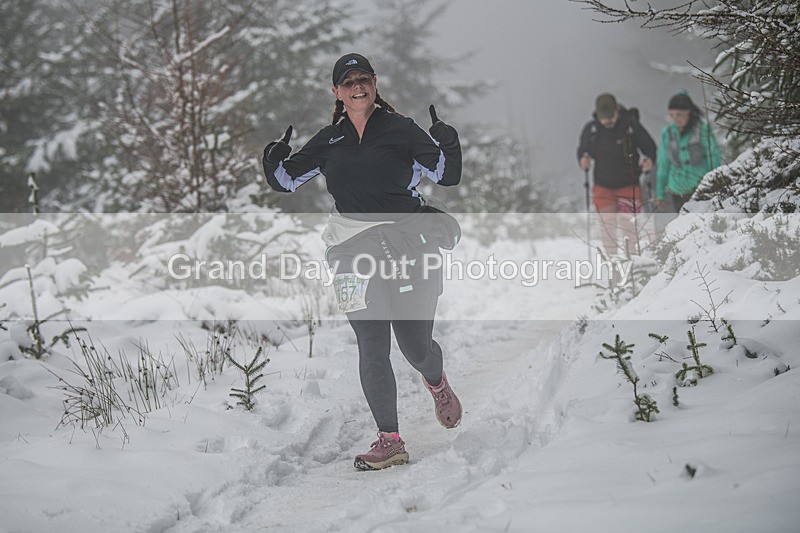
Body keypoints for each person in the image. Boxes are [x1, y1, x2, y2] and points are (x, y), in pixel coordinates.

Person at [262, 53, 463, 471]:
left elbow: (446, 173)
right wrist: (272, 156)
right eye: (348, 81)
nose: (357, 86)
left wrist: (447, 139)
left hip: (408, 244)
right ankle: (390, 440)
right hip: (350, 250)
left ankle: (436, 379)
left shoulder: (401, 129)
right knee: (372, 344)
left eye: (363, 78)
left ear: (374, 84)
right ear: (336, 92)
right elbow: (284, 181)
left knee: (415, 347)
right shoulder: (328, 140)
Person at [577, 93, 657, 257]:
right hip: (603, 186)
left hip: (629, 185)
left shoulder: (630, 125)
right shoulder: (592, 129)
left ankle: (632, 262)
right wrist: (583, 159)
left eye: (610, 117)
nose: (608, 122)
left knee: (629, 227)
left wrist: (649, 160)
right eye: (603, 119)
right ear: (597, 115)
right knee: (608, 226)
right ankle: (613, 263)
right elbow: (582, 150)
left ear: (617, 111)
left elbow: (650, 147)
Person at [655, 90, 722, 213]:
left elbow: (713, 156)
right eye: (672, 115)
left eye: (679, 114)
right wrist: (660, 193)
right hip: (677, 191)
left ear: (689, 113)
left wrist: (717, 183)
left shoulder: (701, 129)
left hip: (700, 189)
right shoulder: (668, 133)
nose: (675, 119)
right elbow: (663, 163)